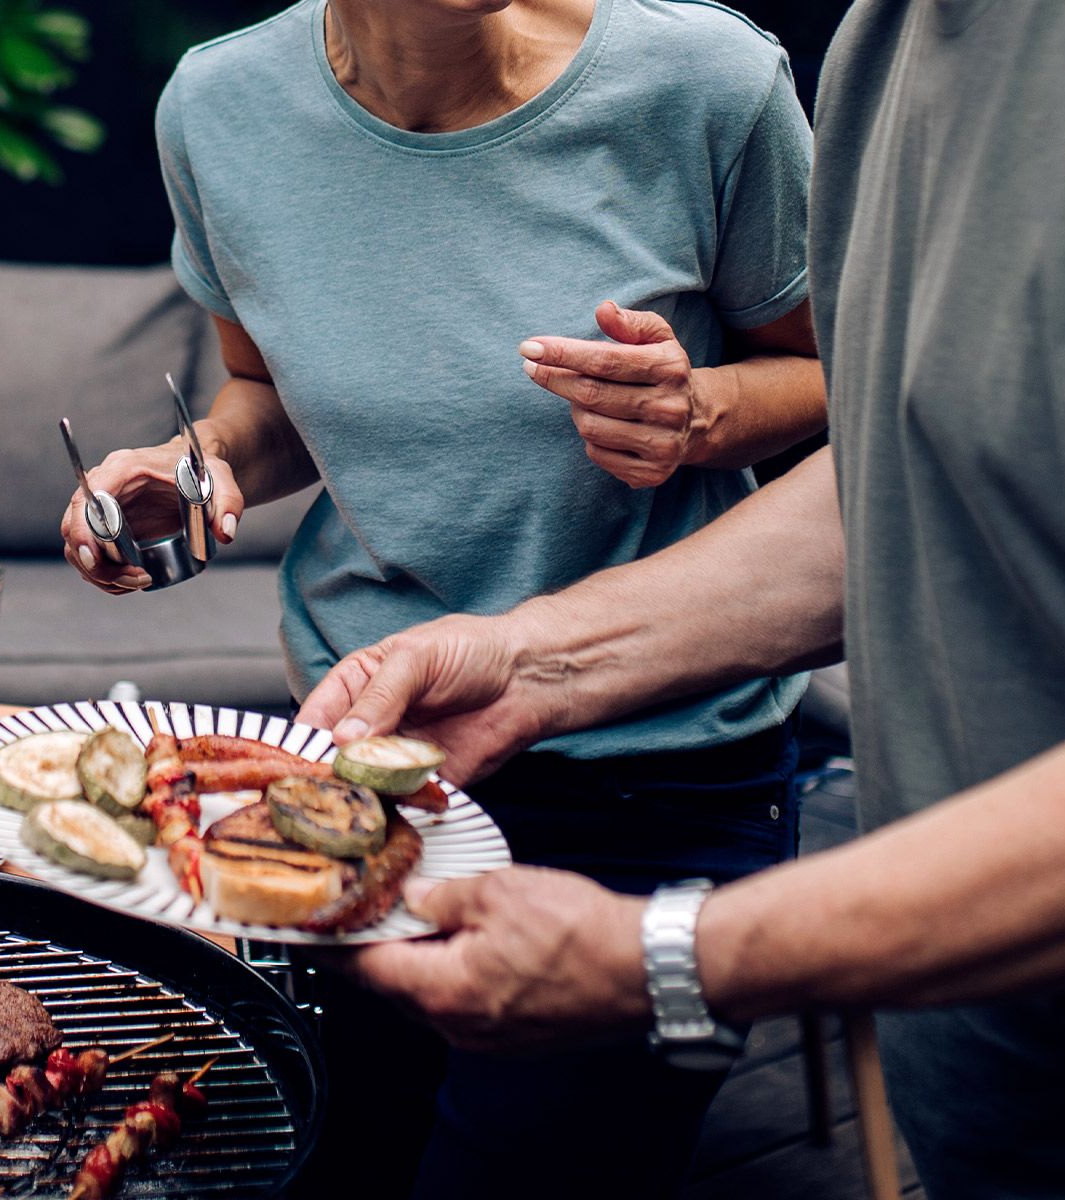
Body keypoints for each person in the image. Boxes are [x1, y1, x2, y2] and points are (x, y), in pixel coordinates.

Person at [297, 2, 1065, 1195]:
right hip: (987, 1101)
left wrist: (666, 953)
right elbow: (905, 485)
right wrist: (533, 661)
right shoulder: (887, 40)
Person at [59, 1, 826, 1193]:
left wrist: (703, 415)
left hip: (658, 772)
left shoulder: (707, 81)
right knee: (324, 1159)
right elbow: (270, 398)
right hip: (355, 764)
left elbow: (845, 379)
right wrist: (198, 464)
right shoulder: (218, 107)